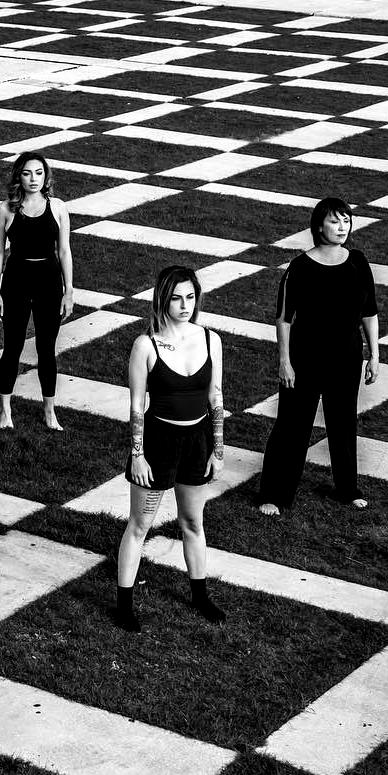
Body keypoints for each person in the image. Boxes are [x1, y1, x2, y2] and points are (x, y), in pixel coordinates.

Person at [115, 266, 226, 633]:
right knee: (139, 525)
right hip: (157, 442)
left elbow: (215, 398)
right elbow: (135, 406)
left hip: (198, 442)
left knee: (193, 523)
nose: (184, 305)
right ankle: (124, 604)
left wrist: (218, 450)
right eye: (177, 297)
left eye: (190, 297)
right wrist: (138, 454)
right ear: (163, 299)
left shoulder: (211, 339)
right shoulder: (145, 345)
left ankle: (200, 595)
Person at [258, 199, 380, 516]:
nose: (342, 228)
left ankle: (347, 489)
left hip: (347, 358)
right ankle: (273, 493)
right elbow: (283, 318)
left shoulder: (358, 263)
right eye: (335, 222)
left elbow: (369, 312)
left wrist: (375, 354)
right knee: (292, 426)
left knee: (343, 424)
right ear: (318, 227)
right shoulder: (300, 267)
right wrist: (284, 362)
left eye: (346, 221)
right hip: (305, 359)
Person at [0, 152, 75, 431]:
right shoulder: (5, 209)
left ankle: (50, 411)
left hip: (49, 283)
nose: (33, 179)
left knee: (46, 349)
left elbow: (64, 251)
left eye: (39, 173)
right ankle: (5, 410)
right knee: (12, 347)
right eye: (27, 173)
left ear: (46, 176)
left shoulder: (59, 207)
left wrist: (69, 291)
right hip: (15, 281)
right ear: (19, 176)